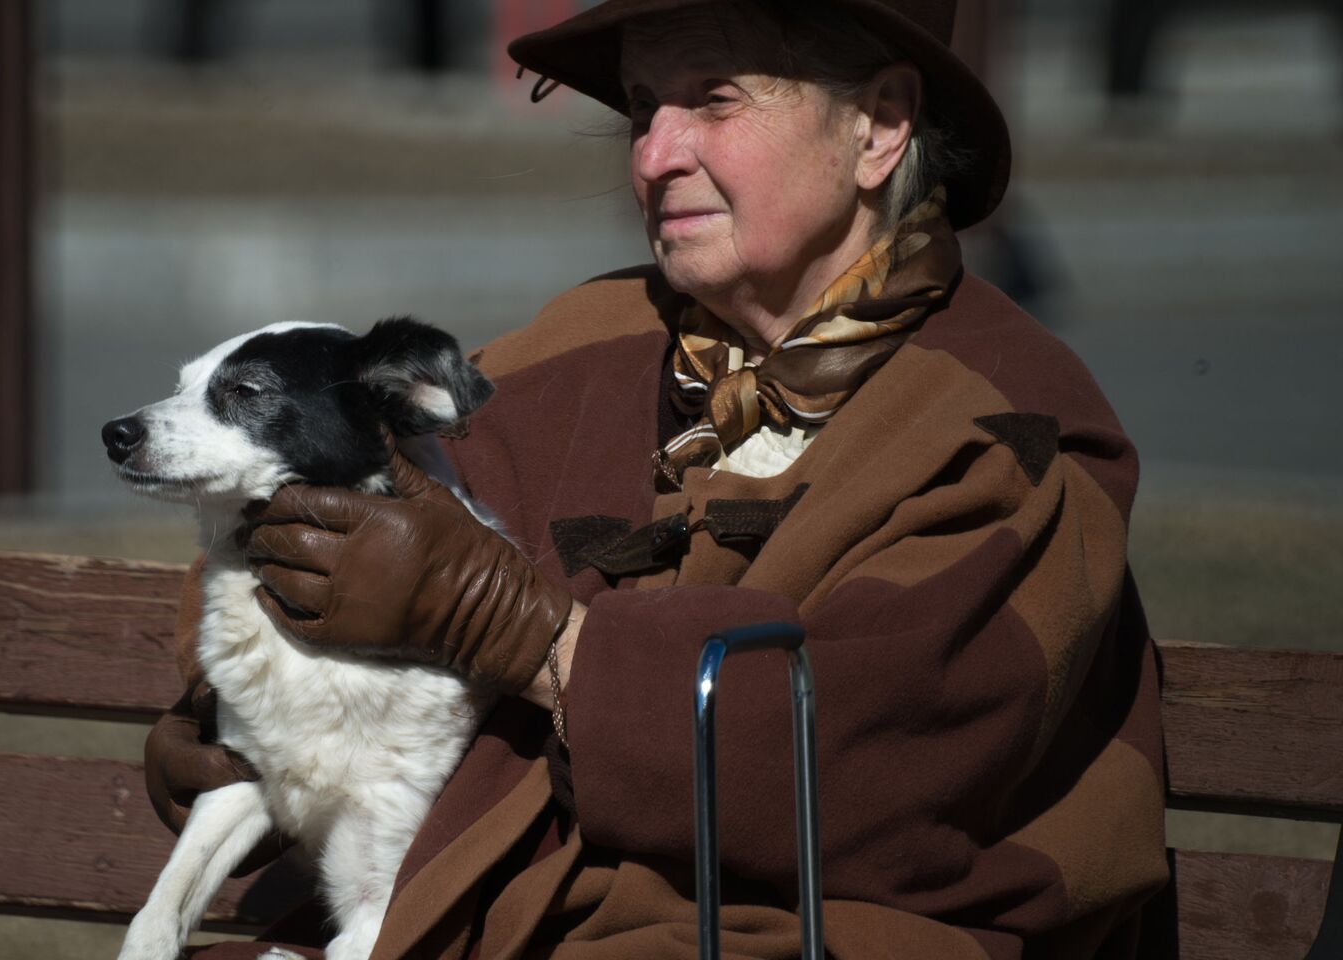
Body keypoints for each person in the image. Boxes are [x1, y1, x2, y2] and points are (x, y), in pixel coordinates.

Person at [145, 1, 1169, 957]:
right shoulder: (588, 339)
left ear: (880, 125)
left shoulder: (1012, 428)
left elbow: (851, 767)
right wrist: (247, 693)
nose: (654, 154)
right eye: (643, 108)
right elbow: (352, 515)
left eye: (715, 101)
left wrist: (525, 634)